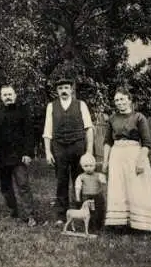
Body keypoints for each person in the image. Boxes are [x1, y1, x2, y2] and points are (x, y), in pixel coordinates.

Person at [102, 87, 151, 232]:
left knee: (137, 188)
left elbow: (147, 143)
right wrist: (105, 161)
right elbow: (107, 141)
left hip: (134, 155)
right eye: (116, 100)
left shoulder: (139, 117)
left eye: (121, 99)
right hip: (117, 156)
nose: (119, 102)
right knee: (118, 188)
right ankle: (120, 223)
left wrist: (140, 161)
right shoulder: (112, 119)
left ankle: (141, 224)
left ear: (129, 100)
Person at [42, 77, 94, 225]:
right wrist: (48, 152)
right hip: (59, 147)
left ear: (71, 89)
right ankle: (61, 215)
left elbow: (89, 128)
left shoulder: (81, 105)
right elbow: (47, 131)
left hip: (78, 147)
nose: (63, 91)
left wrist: (89, 151)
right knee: (61, 181)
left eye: (66, 87)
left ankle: (81, 211)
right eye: (60, 88)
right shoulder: (51, 107)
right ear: (57, 92)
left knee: (80, 179)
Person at [0, 85, 37, 227]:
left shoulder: (23, 110)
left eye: (10, 94)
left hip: (19, 156)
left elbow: (30, 133)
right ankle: (13, 210)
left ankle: (30, 215)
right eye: (5, 95)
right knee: (5, 187)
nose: (7, 97)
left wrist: (28, 153)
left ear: (15, 95)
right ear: (1, 97)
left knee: (23, 185)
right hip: (2, 156)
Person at [74, 153, 106, 232]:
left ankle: (98, 225)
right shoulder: (81, 177)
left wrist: (103, 180)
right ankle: (90, 226)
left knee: (99, 211)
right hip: (86, 197)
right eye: (86, 166)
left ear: (95, 165)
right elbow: (78, 187)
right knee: (88, 212)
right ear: (82, 166)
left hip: (97, 196)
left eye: (91, 166)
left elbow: (104, 183)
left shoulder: (98, 175)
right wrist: (78, 197)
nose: (88, 168)